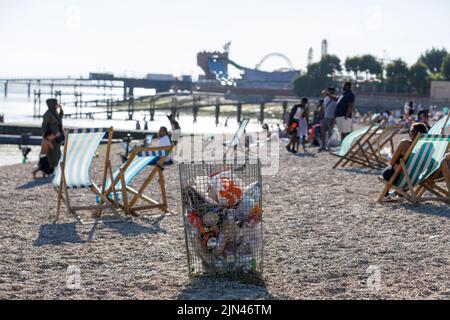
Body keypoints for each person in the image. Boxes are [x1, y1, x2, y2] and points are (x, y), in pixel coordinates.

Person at [382, 122, 428, 186]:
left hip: (396, 176)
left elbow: (392, 162)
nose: (409, 133)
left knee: (389, 171)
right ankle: (400, 192)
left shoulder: (405, 143)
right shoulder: (426, 147)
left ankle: (388, 193)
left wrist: (398, 167)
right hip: (413, 179)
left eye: (411, 131)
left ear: (415, 133)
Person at [41, 99, 64, 172]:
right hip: (51, 136)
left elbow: (60, 118)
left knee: (57, 151)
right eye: (55, 104)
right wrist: (45, 137)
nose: (56, 105)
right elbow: (44, 125)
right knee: (52, 153)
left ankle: (56, 168)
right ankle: (52, 169)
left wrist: (61, 109)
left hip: (57, 136)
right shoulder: (48, 113)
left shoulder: (55, 112)